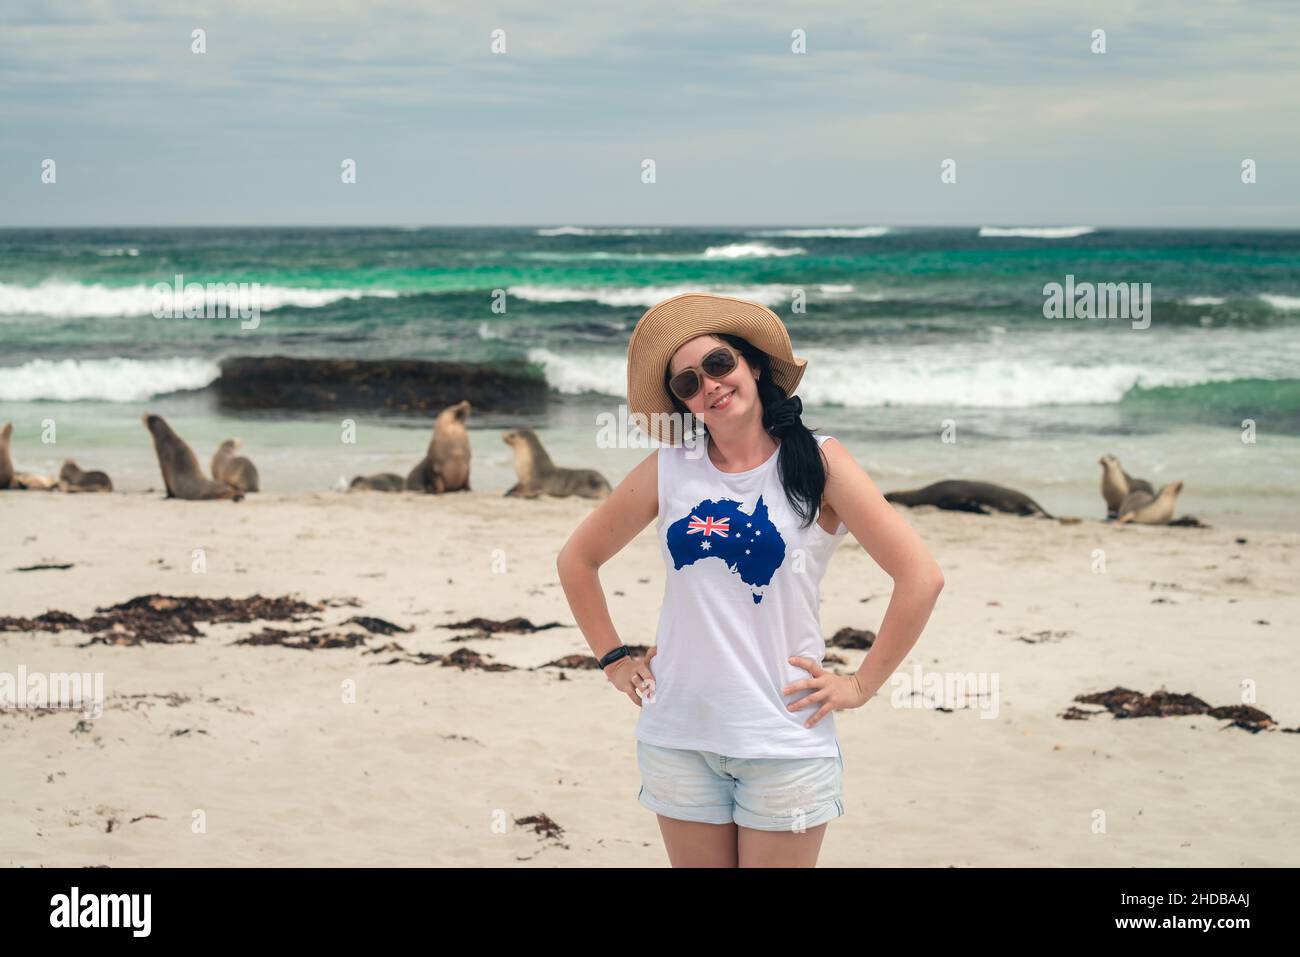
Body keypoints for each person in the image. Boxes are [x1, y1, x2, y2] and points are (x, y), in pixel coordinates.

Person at [556, 292, 944, 867]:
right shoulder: (669, 469)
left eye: (718, 364)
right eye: (687, 383)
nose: (708, 385)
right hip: (678, 736)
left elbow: (921, 576)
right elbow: (577, 559)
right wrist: (613, 658)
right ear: (682, 403)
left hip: (784, 744)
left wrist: (860, 686)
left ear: (752, 365)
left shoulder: (820, 461)